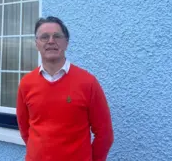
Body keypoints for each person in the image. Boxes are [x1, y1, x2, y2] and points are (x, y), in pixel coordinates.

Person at [16, 16, 114, 161]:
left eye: (57, 36)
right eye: (44, 37)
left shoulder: (88, 83)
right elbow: (25, 130)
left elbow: (105, 134)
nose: (51, 41)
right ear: (36, 44)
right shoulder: (26, 83)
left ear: (66, 42)